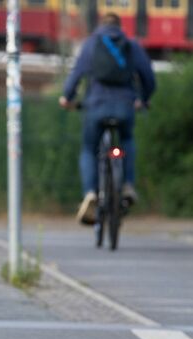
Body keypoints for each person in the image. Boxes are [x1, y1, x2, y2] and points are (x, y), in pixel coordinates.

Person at [59, 13, 156, 225]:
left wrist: (67, 98)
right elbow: (148, 77)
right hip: (125, 107)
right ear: (120, 27)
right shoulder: (131, 45)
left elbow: (76, 75)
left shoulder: (91, 45)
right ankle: (128, 185)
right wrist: (144, 99)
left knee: (88, 149)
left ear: (100, 25)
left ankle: (91, 193)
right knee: (127, 141)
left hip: (95, 106)